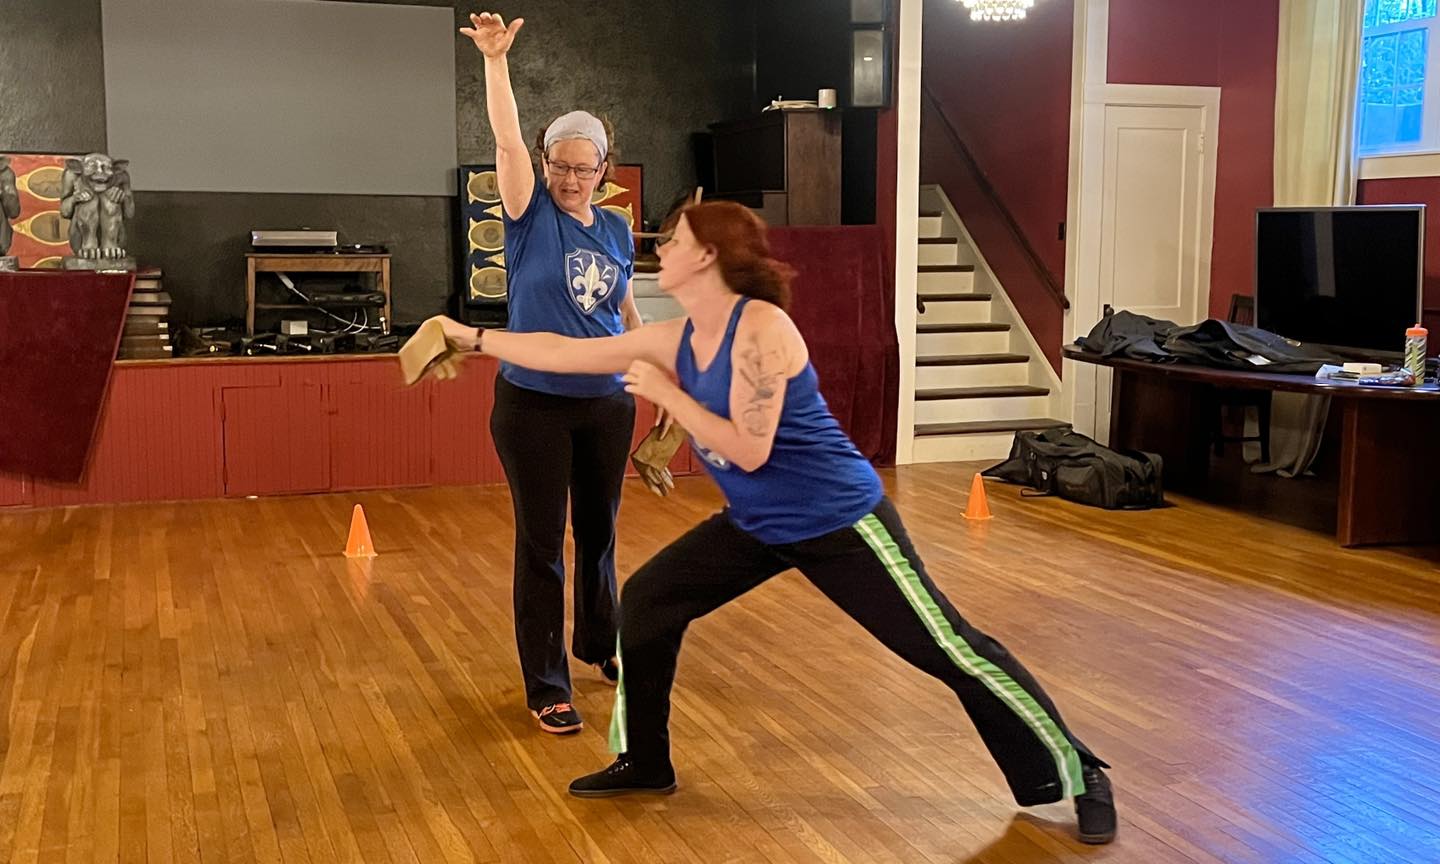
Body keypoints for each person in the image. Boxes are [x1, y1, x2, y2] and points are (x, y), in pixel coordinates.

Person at [433, 201, 1118, 845]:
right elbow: (563, 352)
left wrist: (668, 395)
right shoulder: (677, 336)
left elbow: (749, 448)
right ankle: (645, 760)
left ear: (708, 258)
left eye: (675, 242)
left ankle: (1080, 769)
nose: (661, 250)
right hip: (759, 523)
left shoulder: (762, 328)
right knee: (645, 603)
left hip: (840, 521)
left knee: (948, 647)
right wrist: (471, 336)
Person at [459, 12, 646, 734]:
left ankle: (601, 643)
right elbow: (506, 135)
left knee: (599, 537)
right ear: (544, 166)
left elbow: (623, 309)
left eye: (583, 166)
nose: (570, 177)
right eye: (558, 165)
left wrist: (647, 365)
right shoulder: (527, 213)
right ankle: (546, 684)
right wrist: (496, 62)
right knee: (542, 544)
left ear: (605, 168)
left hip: (605, 405)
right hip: (533, 406)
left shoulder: (619, 229)